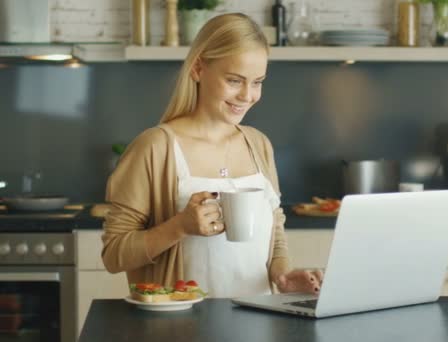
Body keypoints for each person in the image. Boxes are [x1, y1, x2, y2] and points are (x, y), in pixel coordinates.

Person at [102, 13, 322, 298]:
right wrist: (179, 226)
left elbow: (274, 231)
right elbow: (114, 255)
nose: (247, 95)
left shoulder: (258, 144)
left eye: (257, 82)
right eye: (234, 80)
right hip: (181, 330)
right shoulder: (155, 147)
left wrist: (283, 276)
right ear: (197, 69)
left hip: (256, 325)